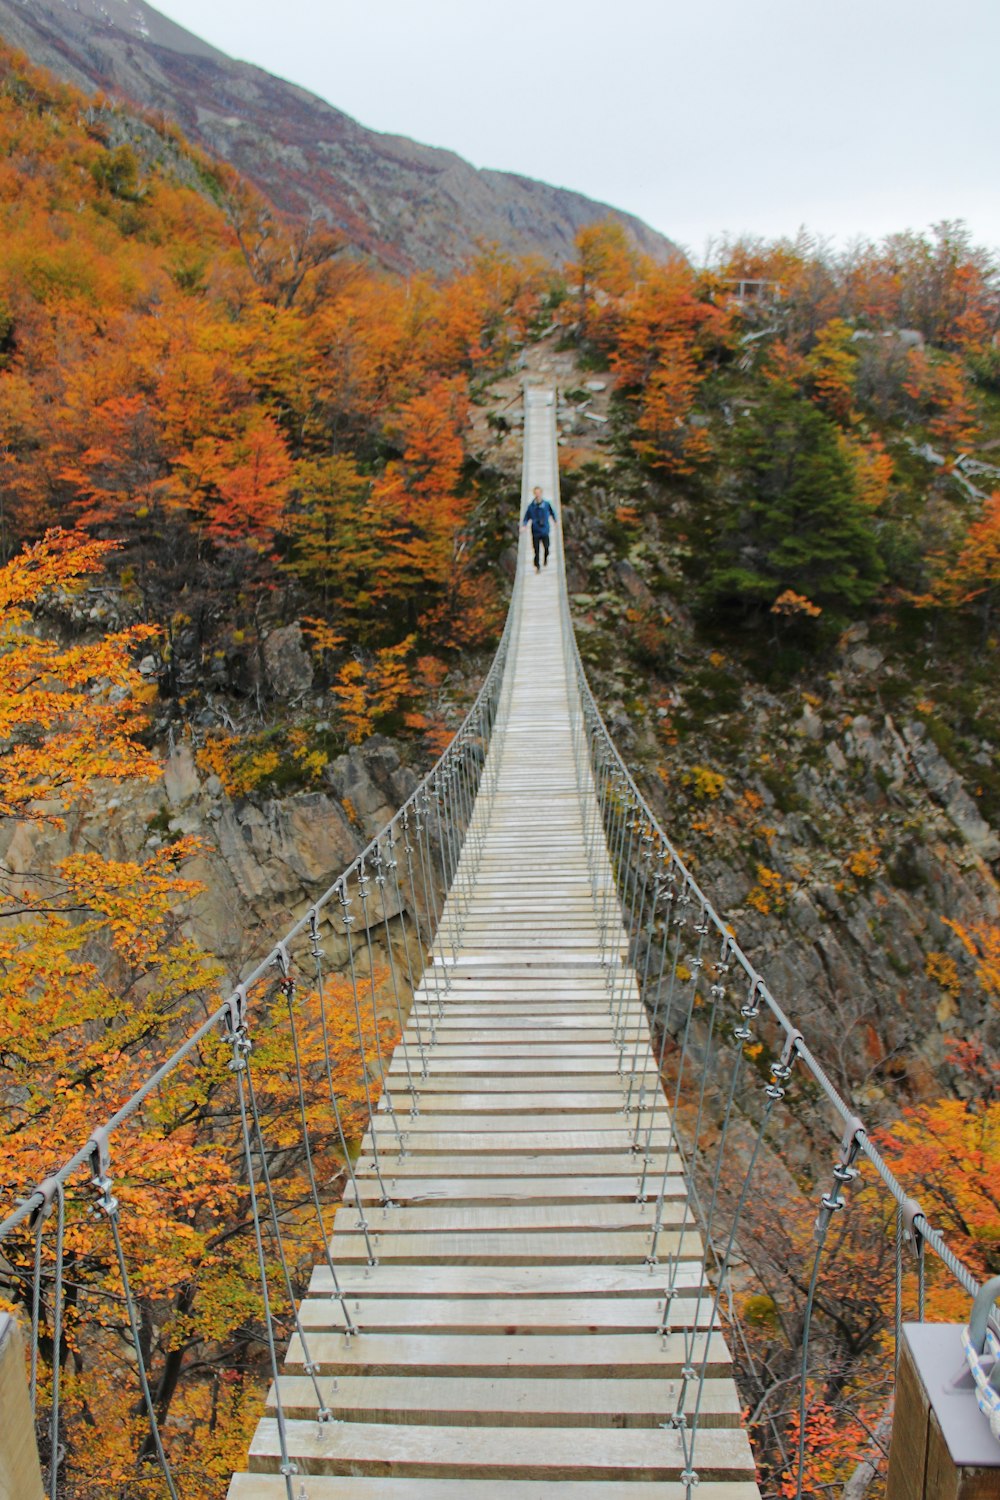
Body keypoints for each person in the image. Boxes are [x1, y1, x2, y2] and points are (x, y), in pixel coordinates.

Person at [521, 486, 557, 571]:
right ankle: (537, 566)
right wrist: (524, 525)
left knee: (547, 547)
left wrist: (555, 521)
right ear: (534, 494)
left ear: (541, 493)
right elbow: (526, 517)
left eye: (539, 493)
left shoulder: (546, 504)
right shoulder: (531, 506)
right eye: (536, 493)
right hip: (535, 531)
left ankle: (545, 558)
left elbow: (552, 512)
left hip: (545, 530)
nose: (537, 495)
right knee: (536, 550)